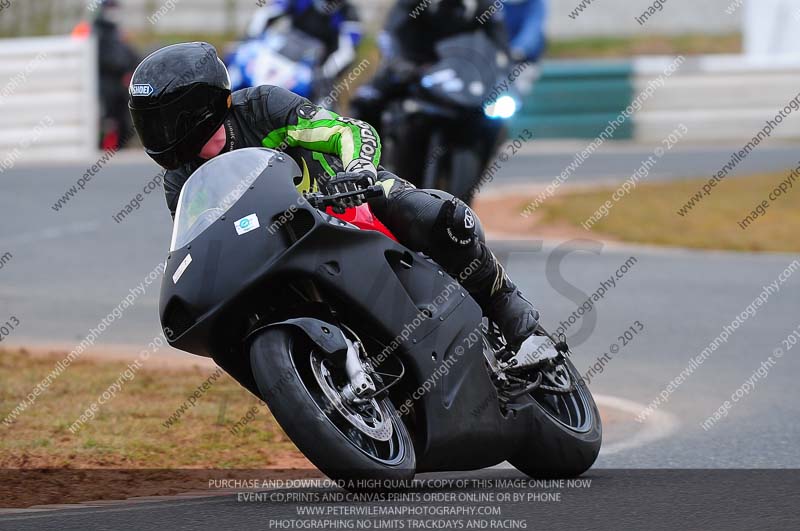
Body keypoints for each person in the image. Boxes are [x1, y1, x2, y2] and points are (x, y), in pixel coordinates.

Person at [128, 42, 539, 348]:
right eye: (156, 126)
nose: (166, 135)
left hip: (349, 203)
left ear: (204, 105)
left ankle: (505, 303)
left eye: (170, 121)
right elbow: (203, 248)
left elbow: (347, 131)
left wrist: (355, 172)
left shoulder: (263, 108)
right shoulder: (181, 183)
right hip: (279, 255)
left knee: (437, 217)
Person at [246, 0, 362, 84]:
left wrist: (324, 74)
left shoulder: (349, 14)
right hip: (279, 56)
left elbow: (347, 52)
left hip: (312, 71)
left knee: (321, 108)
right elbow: (265, 14)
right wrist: (251, 39)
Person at [92, 0, 139, 149]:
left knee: (122, 120)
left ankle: (119, 147)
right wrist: (122, 67)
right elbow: (106, 58)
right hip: (105, 85)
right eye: (110, 8)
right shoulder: (97, 31)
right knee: (108, 120)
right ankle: (105, 147)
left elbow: (130, 55)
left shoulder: (116, 32)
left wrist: (132, 69)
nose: (114, 12)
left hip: (119, 86)